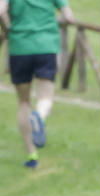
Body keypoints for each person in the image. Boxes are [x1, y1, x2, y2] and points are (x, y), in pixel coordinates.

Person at [3, 0, 74, 167]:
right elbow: (69, 18)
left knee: (23, 101)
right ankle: (39, 117)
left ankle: (31, 154)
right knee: (46, 97)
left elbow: (1, 10)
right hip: (46, 45)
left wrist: (8, 28)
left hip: (19, 47)